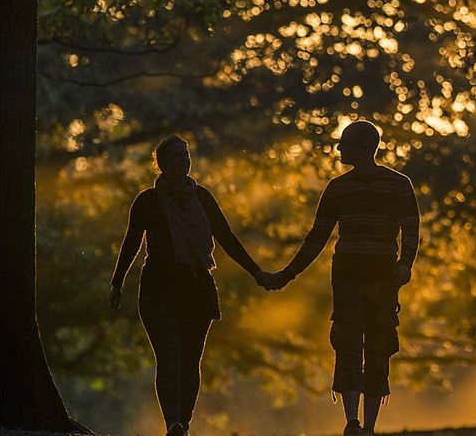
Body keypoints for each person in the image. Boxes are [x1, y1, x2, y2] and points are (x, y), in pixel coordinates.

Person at [266, 121, 420, 436]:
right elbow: (317, 235)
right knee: (348, 344)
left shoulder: (398, 185)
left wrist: (405, 265)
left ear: (365, 147)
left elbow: (411, 229)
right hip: (348, 276)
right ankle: (352, 423)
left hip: (382, 277)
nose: (339, 149)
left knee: (378, 345)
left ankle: (370, 426)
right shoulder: (338, 188)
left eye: (346, 143)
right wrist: (289, 273)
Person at [110, 136, 271, 436]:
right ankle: (172, 423)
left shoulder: (203, 198)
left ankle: (183, 423)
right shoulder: (147, 201)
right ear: (160, 163)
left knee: (190, 362)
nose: (183, 160)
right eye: (175, 156)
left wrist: (256, 272)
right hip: (160, 287)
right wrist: (117, 282)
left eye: (185, 155)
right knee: (169, 358)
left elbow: (226, 238)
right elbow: (132, 242)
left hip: (197, 287)